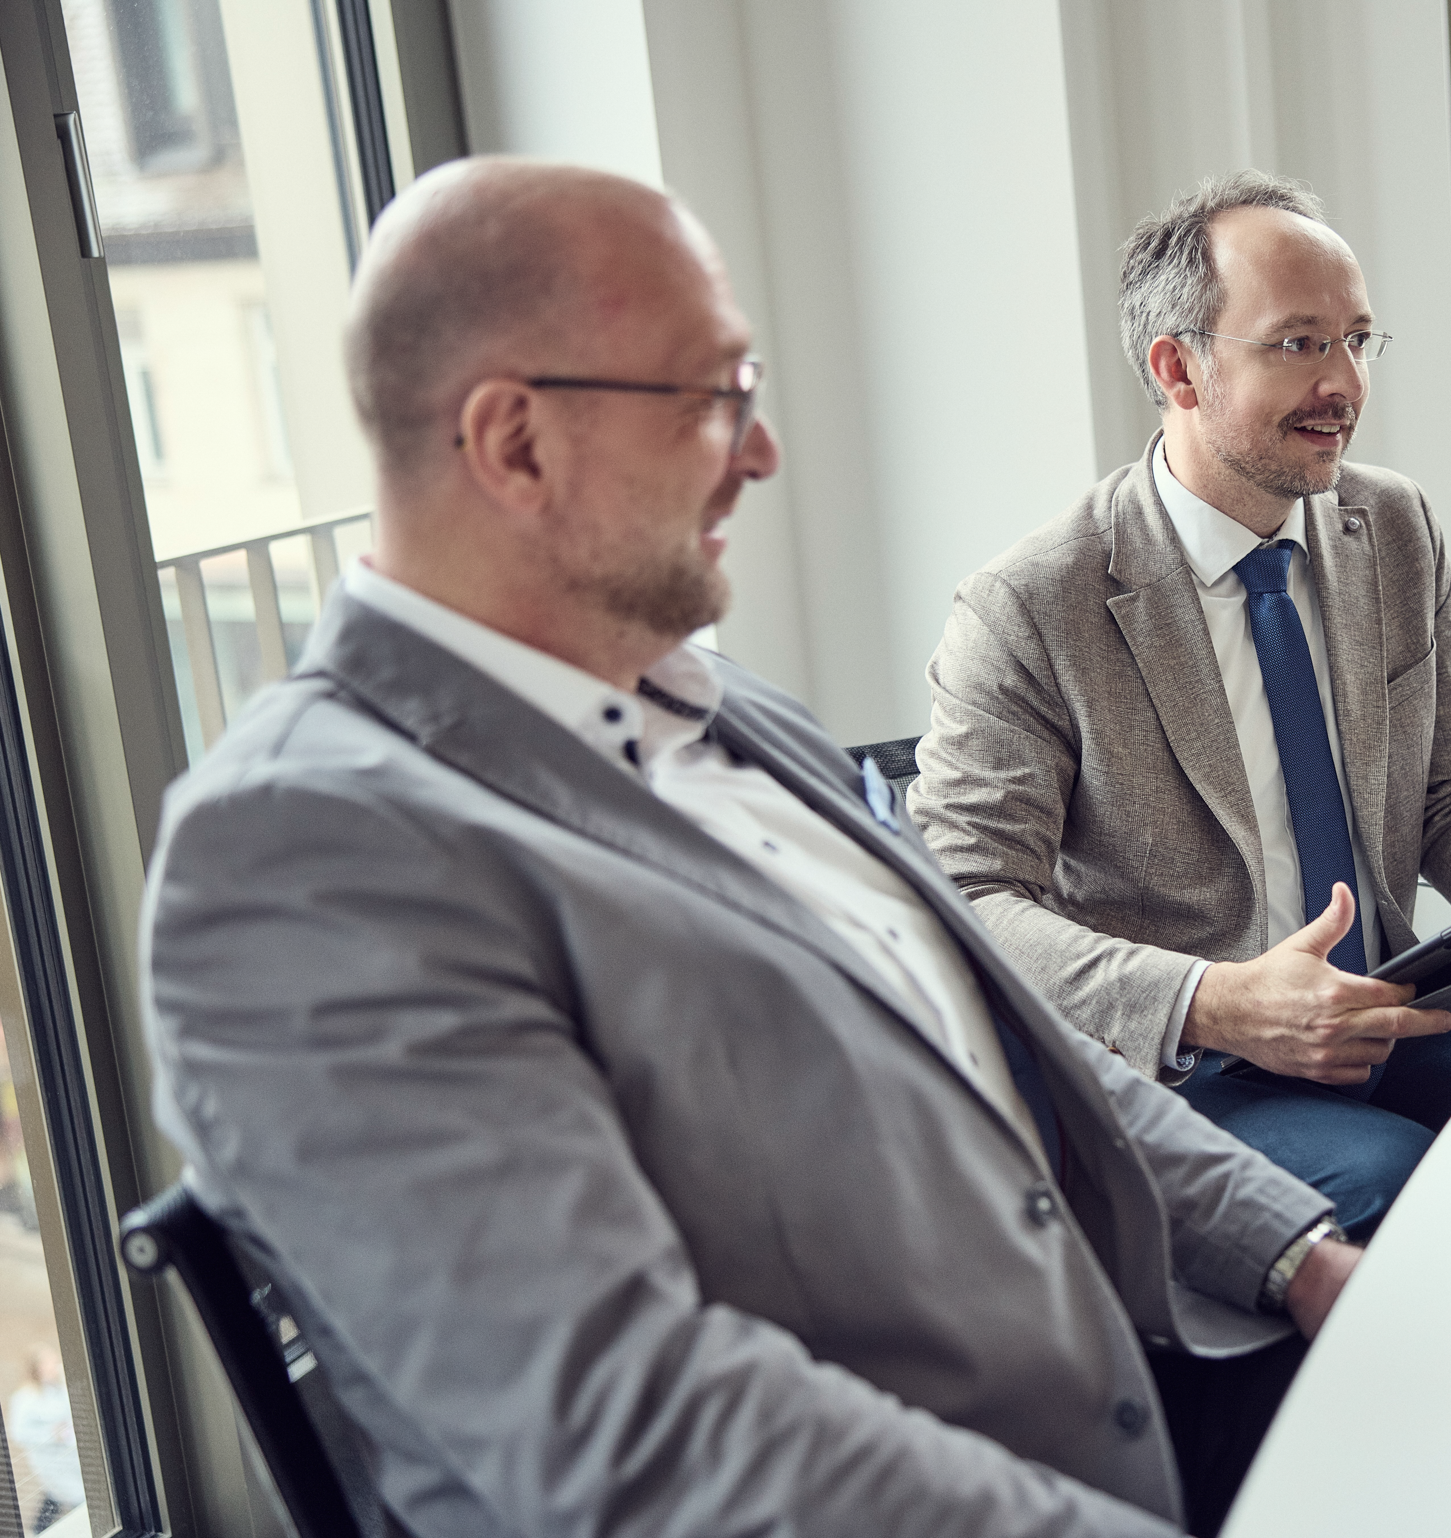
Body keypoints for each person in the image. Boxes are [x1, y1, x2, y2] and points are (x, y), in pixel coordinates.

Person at [140, 157, 1368, 1538]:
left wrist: (1308, 1258)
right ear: (514, 443)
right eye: (714, 395)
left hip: (1125, 1392)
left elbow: (1012, 1032)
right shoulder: (306, 852)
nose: (763, 448)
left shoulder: (718, 708)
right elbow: (637, 1426)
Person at [909, 171, 1451, 1238]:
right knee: (1415, 1187)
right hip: (1175, 1074)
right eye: (1300, 343)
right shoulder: (1031, 604)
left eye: (1358, 339)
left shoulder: (1390, 526)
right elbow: (967, 901)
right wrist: (1216, 1001)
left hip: (1383, 1015)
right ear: (1179, 367)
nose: (1345, 383)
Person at [9, 1346, 83, 1532]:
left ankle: (37, 1532)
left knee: (55, 1498)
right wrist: (51, 1434)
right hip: (49, 1459)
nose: (55, 1366)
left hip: (70, 1456)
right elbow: (18, 1433)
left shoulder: (59, 1390)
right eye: (50, 1363)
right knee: (77, 1498)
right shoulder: (25, 1398)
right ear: (37, 1367)